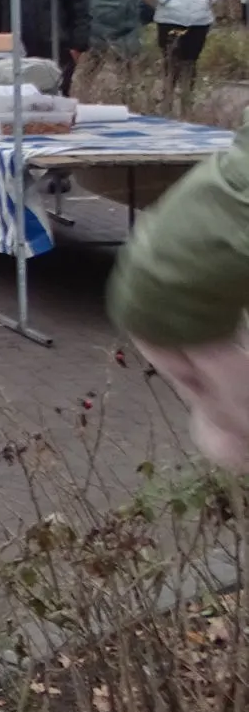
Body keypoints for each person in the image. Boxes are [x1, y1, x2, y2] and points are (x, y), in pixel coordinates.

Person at [108, 110, 249, 471]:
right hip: (182, 313)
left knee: (219, 406)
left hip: (140, 287)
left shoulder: (238, 165)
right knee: (234, 412)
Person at [145, 0, 223, 111]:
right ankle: (167, 101)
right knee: (171, 59)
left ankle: (188, 102)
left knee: (190, 61)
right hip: (170, 17)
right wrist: (168, 0)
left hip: (198, 18)